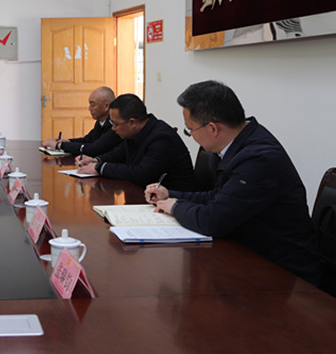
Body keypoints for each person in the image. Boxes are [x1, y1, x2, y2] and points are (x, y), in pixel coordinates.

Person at [146, 80, 321, 285]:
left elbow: (213, 221)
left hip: (283, 273)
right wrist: (171, 195)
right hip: (249, 254)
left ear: (213, 128)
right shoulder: (238, 143)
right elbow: (219, 198)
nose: (191, 136)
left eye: (190, 130)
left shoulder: (258, 159)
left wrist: (175, 206)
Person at [76, 93, 196, 190]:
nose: (113, 128)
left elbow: (141, 174)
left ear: (132, 122)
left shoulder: (162, 138)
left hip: (174, 200)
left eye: (115, 124)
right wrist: (96, 160)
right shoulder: (136, 132)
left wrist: (100, 167)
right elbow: (119, 153)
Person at [41, 86, 121, 156]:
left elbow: (94, 149)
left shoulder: (115, 125)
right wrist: (68, 141)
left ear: (106, 106)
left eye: (93, 105)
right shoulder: (101, 122)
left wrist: (59, 145)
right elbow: (87, 140)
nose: (89, 108)